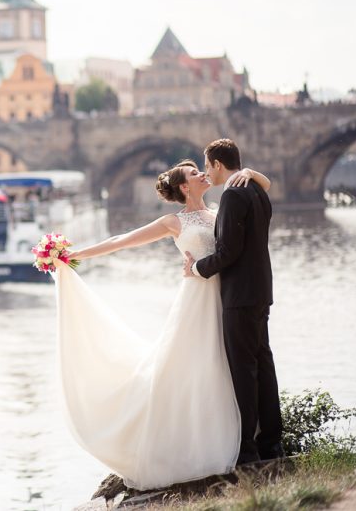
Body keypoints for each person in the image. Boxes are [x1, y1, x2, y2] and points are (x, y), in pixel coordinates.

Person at [53, 158, 270, 490]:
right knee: (192, 369)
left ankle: (240, 438)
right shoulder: (174, 221)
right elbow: (121, 241)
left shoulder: (220, 208)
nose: (202, 174)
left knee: (230, 367)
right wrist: (75, 255)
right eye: (195, 173)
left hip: (225, 296)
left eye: (202, 169)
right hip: (197, 298)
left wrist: (249, 172)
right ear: (184, 187)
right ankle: (193, 446)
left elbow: (242, 231)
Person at [183, 139, 284, 464]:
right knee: (264, 366)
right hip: (261, 291)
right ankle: (271, 443)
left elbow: (229, 252)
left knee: (244, 370)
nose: (207, 172)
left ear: (217, 164)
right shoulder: (257, 191)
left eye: (207, 166)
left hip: (239, 295)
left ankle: (247, 451)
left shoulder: (231, 194)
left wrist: (197, 268)